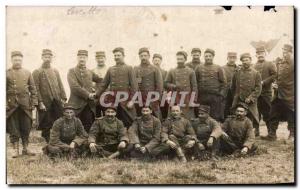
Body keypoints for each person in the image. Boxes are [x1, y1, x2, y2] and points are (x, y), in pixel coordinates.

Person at [7, 51, 38, 158]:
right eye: (15, 60)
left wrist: (34, 102)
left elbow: (33, 89)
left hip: (26, 105)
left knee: (26, 127)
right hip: (12, 105)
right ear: (11, 60)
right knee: (13, 128)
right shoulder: (6, 73)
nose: (17, 62)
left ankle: (26, 148)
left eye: (19, 60)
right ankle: (16, 150)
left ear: (22, 60)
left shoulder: (27, 72)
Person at [96, 47, 138, 128]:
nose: (116, 57)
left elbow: (134, 86)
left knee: (128, 121)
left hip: (125, 100)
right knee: (113, 121)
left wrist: (132, 101)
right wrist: (96, 95)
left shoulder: (129, 68)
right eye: (115, 56)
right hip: (113, 100)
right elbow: (104, 84)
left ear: (123, 56)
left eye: (118, 55)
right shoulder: (111, 69)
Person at [32, 49, 67, 143]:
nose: (47, 59)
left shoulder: (55, 71)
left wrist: (63, 98)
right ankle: (48, 142)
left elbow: (60, 84)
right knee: (46, 122)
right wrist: (40, 102)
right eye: (45, 57)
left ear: (52, 58)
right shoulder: (37, 71)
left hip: (56, 100)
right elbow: (35, 88)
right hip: (45, 102)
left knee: (59, 120)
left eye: (49, 57)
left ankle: (58, 139)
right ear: (42, 58)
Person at [67, 50, 102, 133]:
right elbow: (74, 87)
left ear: (87, 58)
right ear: (77, 58)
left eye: (84, 57)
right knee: (74, 125)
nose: (82, 59)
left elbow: (101, 81)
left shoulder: (90, 72)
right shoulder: (71, 71)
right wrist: (88, 94)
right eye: (80, 57)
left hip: (89, 105)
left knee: (88, 125)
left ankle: (86, 143)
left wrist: (96, 92)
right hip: (76, 104)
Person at [265, 44, 295, 141]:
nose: (284, 54)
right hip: (278, 94)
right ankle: (272, 135)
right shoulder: (279, 62)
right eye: (283, 52)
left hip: (290, 94)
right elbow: (277, 76)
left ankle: (293, 135)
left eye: (286, 52)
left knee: (291, 114)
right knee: (273, 113)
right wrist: (274, 83)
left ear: (291, 52)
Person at [231, 53, 262, 136]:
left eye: (247, 60)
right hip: (239, 99)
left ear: (250, 60)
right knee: (238, 115)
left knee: (250, 117)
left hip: (250, 101)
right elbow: (233, 86)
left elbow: (258, 88)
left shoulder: (256, 73)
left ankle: (251, 134)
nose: (245, 62)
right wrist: (236, 96)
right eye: (243, 60)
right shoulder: (237, 73)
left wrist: (251, 98)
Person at [195, 48, 227, 122]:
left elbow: (224, 83)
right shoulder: (198, 67)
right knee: (202, 113)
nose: (208, 58)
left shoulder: (218, 68)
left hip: (214, 96)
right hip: (202, 96)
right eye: (206, 56)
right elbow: (195, 82)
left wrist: (221, 95)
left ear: (213, 57)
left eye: (210, 56)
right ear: (204, 57)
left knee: (214, 115)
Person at [165, 51, 197, 119]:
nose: (179, 61)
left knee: (188, 118)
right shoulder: (172, 71)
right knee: (173, 117)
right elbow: (166, 83)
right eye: (178, 59)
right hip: (175, 97)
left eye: (181, 59)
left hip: (187, 98)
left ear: (185, 59)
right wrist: (174, 86)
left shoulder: (191, 71)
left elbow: (194, 87)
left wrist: (193, 100)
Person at [253, 47, 277, 137]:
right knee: (256, 113)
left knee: (268, 112)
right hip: (256, 94)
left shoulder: (270, 64)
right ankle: (256, 131)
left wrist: (264, 82)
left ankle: (270, 132)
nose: (260, 55)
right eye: (258, 53)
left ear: (265, 54)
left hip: (266, 93)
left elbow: (275, 75)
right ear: (256, 55)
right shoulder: (253, 66)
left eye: (262, 53)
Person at [134, 48, 163, 120]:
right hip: (140, 97)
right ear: (139, 57)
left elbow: (159, 85)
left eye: (145, 55)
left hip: (152, 97)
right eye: (141, 56)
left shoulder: (155, 68)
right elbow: (134, 84)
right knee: (140, 117)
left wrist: (157, 98)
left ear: (149, 56)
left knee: (155, 116)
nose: (143, 57)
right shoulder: (136, 69)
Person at [152, 53, 169, 120]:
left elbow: (166, 83)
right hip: (152, 94)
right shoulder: (150, 72)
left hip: (162, 94)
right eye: (155, 60)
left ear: (161, 61)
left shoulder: (164, 72)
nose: (157, 62)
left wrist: (165, 92)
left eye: (158, 60)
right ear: (152, 61)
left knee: (164, 108)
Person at [222, 52, 238, 118]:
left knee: (235, 108)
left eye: (233, 58)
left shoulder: (239, 68)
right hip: (225, 92)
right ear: (227, 58)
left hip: (236, 92)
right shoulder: (222, 68)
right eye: (230, 58)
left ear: (236, 59)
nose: (232, 60)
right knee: (225, 109)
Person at [92, 51, 108, 118]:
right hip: (96, 98)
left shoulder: (109, 70)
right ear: (96, 59)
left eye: (102, 58)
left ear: (105, 58)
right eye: (98, 58)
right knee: (96, 117)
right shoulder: (92, 71)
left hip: (107, 97)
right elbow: (91, 84)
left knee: (107, 115)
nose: (100, 60)